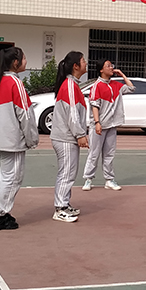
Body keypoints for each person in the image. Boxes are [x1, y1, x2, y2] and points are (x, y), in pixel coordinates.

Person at [0, 47, 39, 231]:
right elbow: (25, 114)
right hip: (11, 140)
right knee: (12, 178)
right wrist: (31, 139)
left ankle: (1, 212)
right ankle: (0, 214)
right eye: (24, 59)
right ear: (15, 63)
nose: (26, 61)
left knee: (6, 176)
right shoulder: (15, 83)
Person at [81, 59, 134, 191]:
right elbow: (94, 105)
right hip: (99, 126)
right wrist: (97, 123)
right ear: (101, 70)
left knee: (109, 154)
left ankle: (109, 180)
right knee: (94, 153)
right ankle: (88, 179)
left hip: (112, 125)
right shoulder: (97, 86)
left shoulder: (116, 85)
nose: (111, 68)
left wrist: (122, 75)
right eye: (108, 66)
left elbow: (131, 88)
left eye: (112, 66)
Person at [50, 51, 89, 223]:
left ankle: (64, 204)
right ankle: (60, 208)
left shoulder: (72, 85)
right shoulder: (70, 86)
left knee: (70, 172)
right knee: (66, 173)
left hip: (67, 137)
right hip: (65, 137)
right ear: (75, 66)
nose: (86, 63)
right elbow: (72, 113)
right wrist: (80, 134)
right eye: (83, 60)